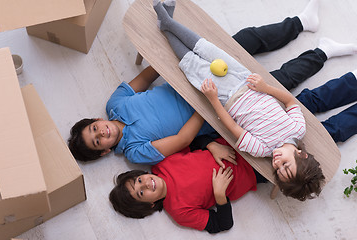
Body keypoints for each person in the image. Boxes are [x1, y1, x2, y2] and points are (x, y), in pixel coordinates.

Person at [152, 0, 357, 199]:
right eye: (285, 164)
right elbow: (291, 102)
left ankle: (166, 24)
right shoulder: (298, 130)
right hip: (247, 80)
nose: (277, 163)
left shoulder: (262, 150)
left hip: (225, 95)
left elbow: (232, 126)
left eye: (277, 170)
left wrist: (214, 99)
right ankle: (167, 22)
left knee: (190, 63)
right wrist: (266, 88)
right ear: (301, 154)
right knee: (206, 48)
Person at [110, 136, 267, 233]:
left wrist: (212, 145)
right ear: (150, 204)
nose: (145, 185)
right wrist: (220, 195)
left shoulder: (161, 163)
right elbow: (222, 224)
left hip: (235, 139)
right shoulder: (179, 212)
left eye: (138, 180)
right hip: (254, 171)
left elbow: (193, 140)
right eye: (141, 193)